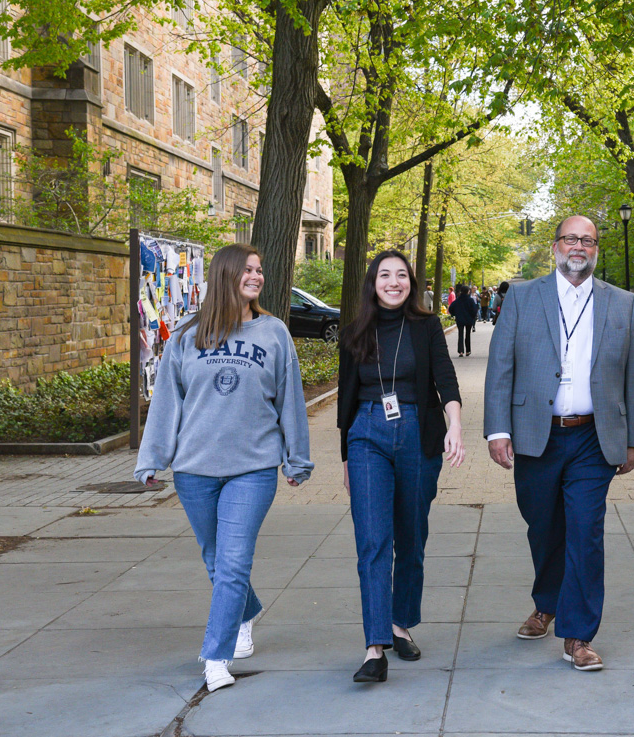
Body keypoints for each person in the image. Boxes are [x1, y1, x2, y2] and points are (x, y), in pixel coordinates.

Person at [134, 244, 313, 693]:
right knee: (217, 560)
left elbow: (291, 399)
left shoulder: (274, 333)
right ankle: (246, 611)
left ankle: (216, 655)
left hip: (252, 468)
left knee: (233, 562)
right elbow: (167, 403)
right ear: (225, 275)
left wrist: (297, 458)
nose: (256, 276)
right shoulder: (186, 334)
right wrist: (152, 458)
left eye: (259, 269)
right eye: (247, 270)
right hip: (194, 470)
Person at [483, 215, 634, 671]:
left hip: (594, 437)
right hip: (537, 435)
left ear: (597, 249)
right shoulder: (522, 297)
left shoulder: (621, 303)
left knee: (585, 532)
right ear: (555, 246)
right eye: (572, 239)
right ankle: (547, 601)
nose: (580, 247)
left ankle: (577, 635)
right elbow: (501, 367)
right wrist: (498, 429)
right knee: (544, 526)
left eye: (588, 240)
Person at [337, 249, 465, 684]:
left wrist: (456, 428)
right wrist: (346, 458)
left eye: (402, 275)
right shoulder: (355, 329)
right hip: (367, 433)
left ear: (411, 283)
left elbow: (445, 379)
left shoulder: (427, 326)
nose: (394, 282)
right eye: (385, 275)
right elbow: (345, 396)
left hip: (417, 433)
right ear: (373, 282)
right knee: (373, 539)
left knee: (411, 537)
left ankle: (400, 622)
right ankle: (375, 647)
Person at [448, 283, 479, 357]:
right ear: (468, 291)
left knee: (460, 334)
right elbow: (474, 310)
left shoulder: (457, 300)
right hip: (469, 320)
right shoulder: (470, 300)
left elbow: (451, 308)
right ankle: (468, 350)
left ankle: (461, 351)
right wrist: (473, 317)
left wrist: (454, 314)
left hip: (460, 319)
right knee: (468, 334)